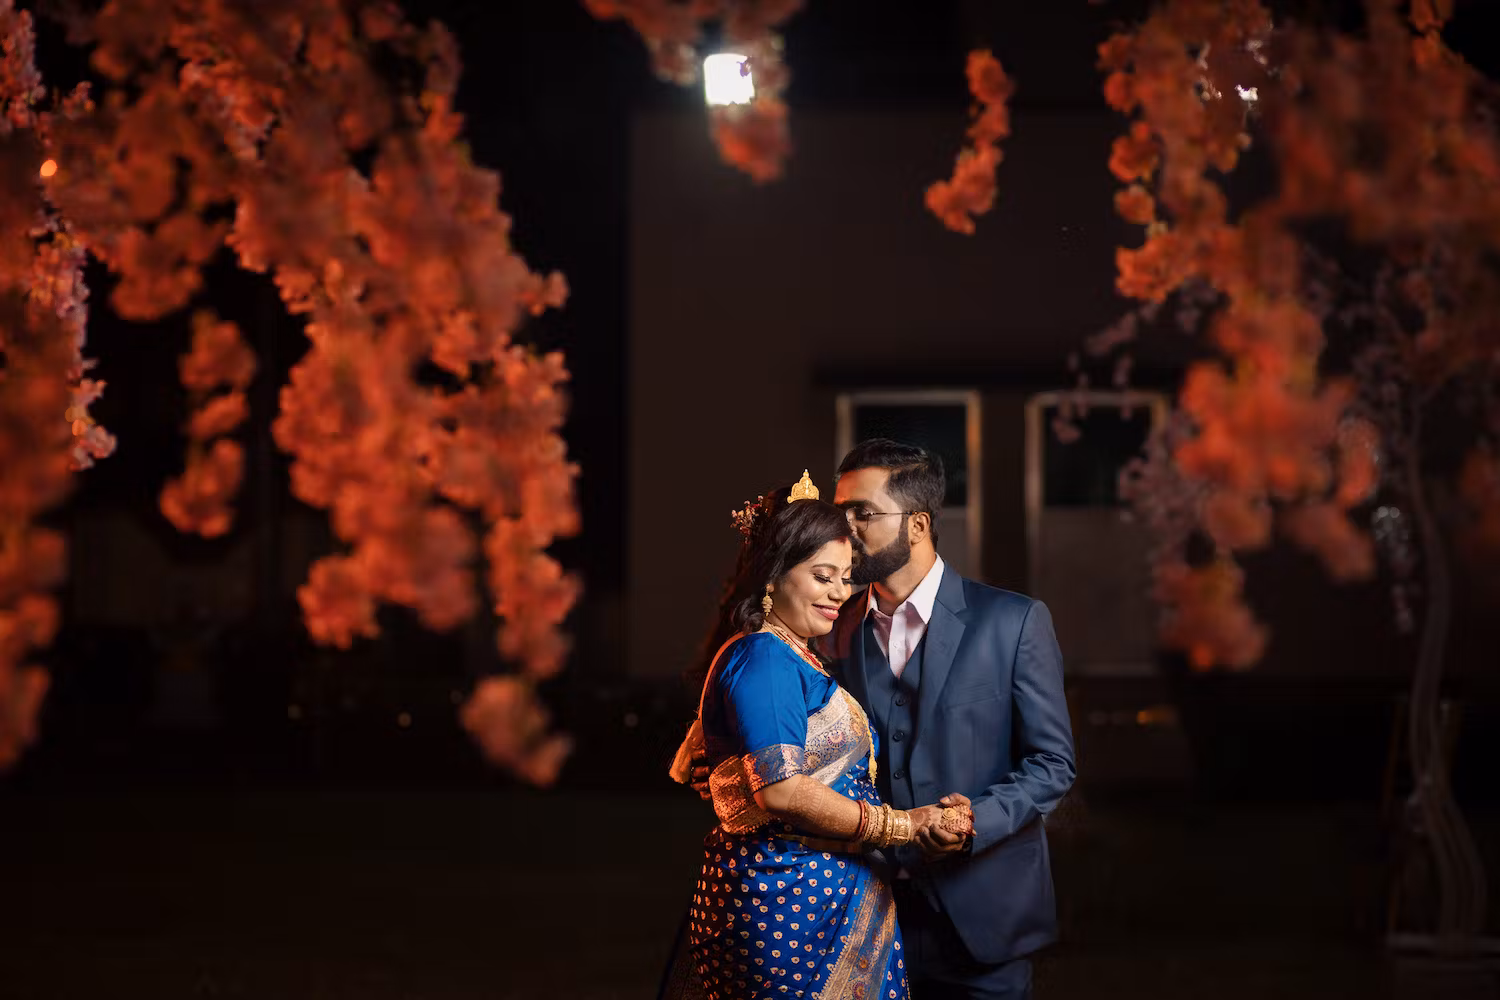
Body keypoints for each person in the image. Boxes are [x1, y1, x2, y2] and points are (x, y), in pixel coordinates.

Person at [662, 471, 975, 1000]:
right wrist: (902, 826)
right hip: (784, 903)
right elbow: (780, 790)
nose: (840, 592)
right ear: (773, 576)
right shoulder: (762, 656)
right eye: (822, 575)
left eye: (847, 576)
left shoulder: (793, 656)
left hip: (819, 895)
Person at [824, 439, 1077, 999]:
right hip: (865, 916)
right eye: (837, 513)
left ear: (917, 525)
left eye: (861, 513)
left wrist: (973, 825)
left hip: (983, 915)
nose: (843, 529)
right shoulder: (831, 630)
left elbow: (1052, 763)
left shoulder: (1013, 622)